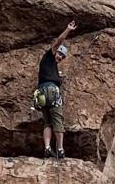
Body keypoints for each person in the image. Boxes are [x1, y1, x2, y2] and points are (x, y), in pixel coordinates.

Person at [37, 20, 76, 159]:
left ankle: (47, 148)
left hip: (41, 94)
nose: (60, 57)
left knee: (47, 122)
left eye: (62, 57)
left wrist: (59, 78)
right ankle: (60, 149)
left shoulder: (50, 66)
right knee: (58, 120)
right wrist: (68, 29)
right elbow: (58, 42)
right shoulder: (49, 56)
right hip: (51, 91)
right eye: (59, 54)